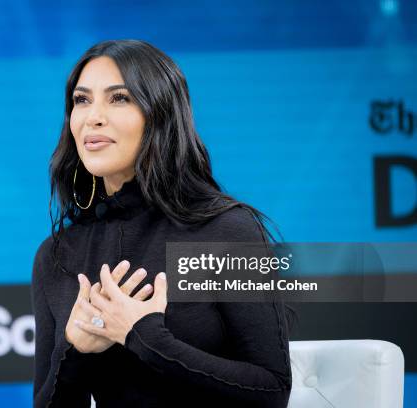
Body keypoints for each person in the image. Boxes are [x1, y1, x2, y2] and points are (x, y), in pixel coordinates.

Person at [31, 39, 292, 408]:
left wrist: (144, 335)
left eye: (119, 98)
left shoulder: (227, 231)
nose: (93, 117)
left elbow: (272, 391)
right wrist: (73, 351)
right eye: (82, 100)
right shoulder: (56, 255)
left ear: (160, 115)